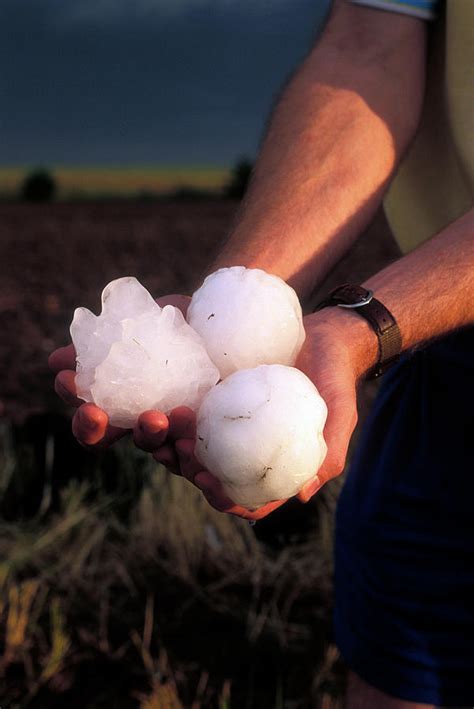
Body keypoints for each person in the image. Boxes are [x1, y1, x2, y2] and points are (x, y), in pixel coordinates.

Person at [50, 0, 474, 705]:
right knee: (405, 663)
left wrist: (365, 320)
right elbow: (369, 50)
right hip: (442, 351)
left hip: (415, 312)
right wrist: (240, 300)